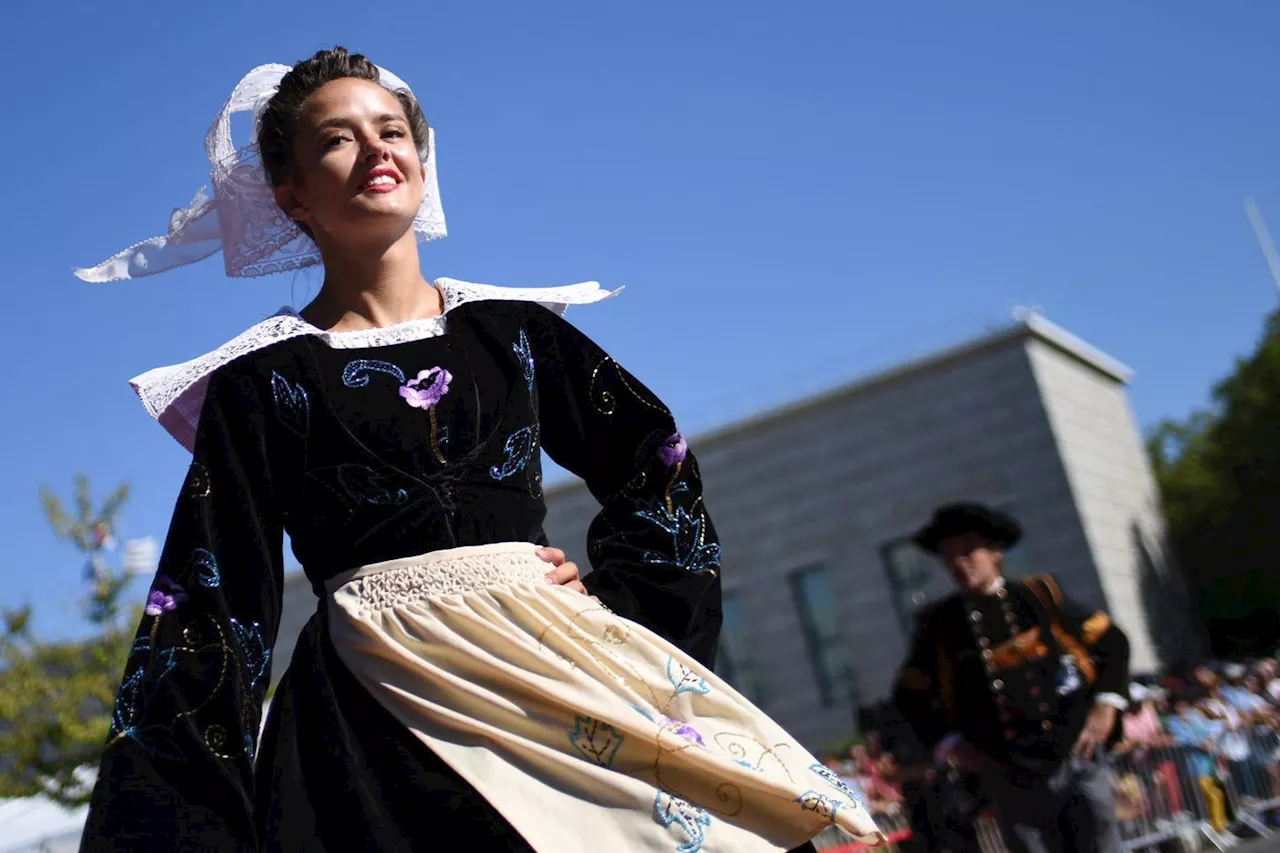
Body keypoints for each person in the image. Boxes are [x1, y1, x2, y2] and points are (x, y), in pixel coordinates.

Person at [75, 48, 884, 852]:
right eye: (338, 139)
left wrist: (621, 598)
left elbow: (656, 460)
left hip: (553, 670)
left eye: (391, 129)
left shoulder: (514, 333)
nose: (376, 148)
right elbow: (214, 598)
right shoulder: (264, 381)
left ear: (421, 166)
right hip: (374, 716)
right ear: (290, 196)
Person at [892, 502, 1131, 853]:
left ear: (996, 554)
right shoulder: (939, 624)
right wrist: (948, 743)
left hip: (1076, 753)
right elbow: (907, 694)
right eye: (950, 556)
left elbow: (1112, 641)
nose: (960, 564)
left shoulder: (1039, 594)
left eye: (968, 552)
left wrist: (1106, 705)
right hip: (1009, 771)